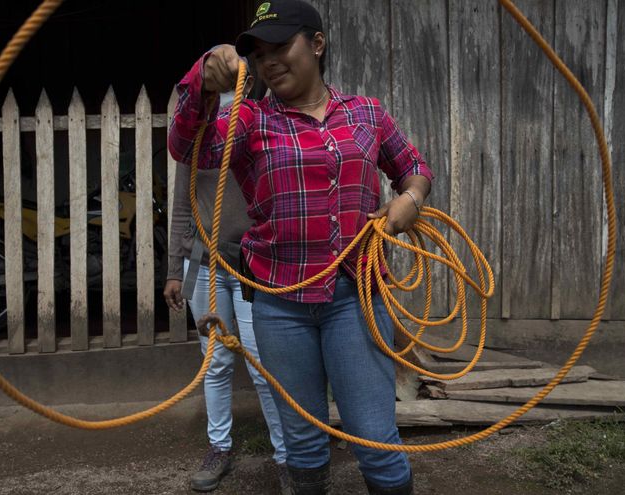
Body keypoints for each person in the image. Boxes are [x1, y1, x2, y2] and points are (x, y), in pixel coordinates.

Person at [167, 1, 433, 493]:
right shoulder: (250, 121)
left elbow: (413, 167)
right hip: (278, 306)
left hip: (356, 300)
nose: (269, 61)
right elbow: (187, 148)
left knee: (375, 437)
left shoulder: (367, 114)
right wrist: (203, 79)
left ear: (317, 43)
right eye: (259, 53)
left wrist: (410, 200)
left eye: (280, 46)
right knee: (303, 441)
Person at [164, 88, 289, 494]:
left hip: (251, 259)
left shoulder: (254, 132)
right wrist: (173, 270)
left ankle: (288, 456)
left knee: (260, 363)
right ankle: (219, 447)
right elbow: (182, 207)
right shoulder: (194, 140)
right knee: (214, 361)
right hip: (202, 260)